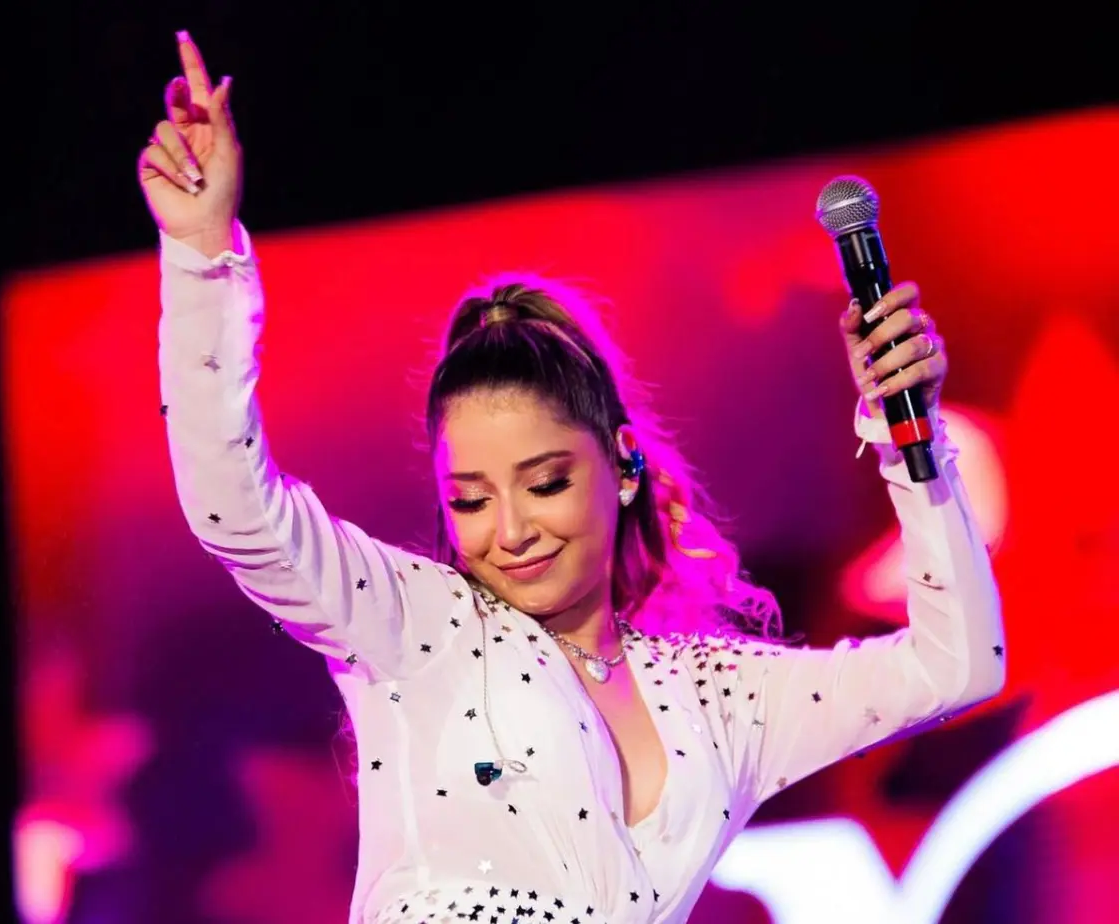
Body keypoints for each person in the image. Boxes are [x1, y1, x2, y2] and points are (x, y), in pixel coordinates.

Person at [140, 32, 1005, 924]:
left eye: (545, 483)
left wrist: (908, 436)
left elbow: (958, 666)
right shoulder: (418, 628)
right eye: (470, 499)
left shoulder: (717, 697)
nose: (510, 530)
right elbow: (235, 508)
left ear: (622, 464)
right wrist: (203, 258)